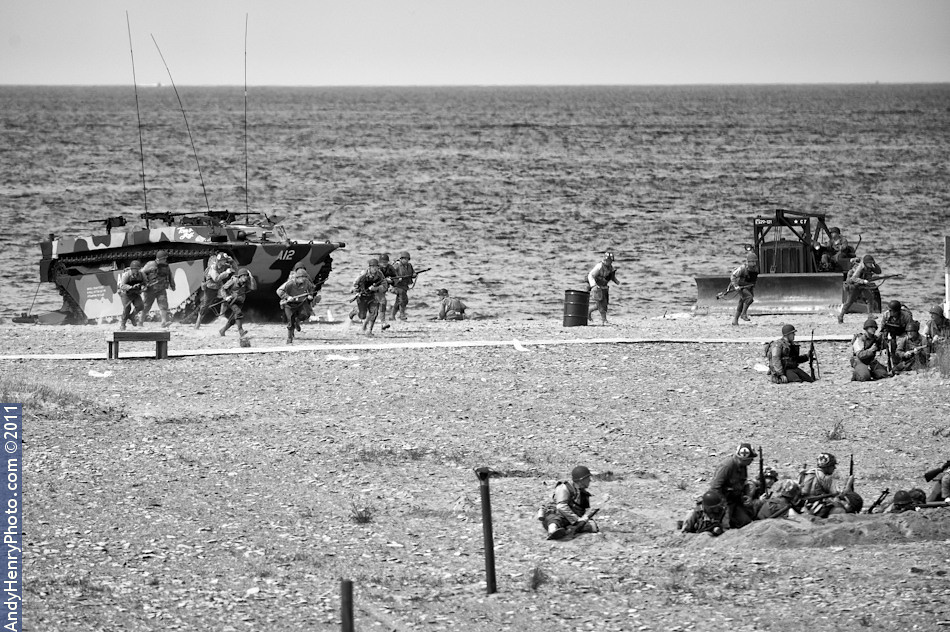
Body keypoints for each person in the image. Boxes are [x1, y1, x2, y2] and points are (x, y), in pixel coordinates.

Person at [537, 465, 599, 540]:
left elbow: (585, 509)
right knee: (554, 519)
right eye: (587, 478)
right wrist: (576, 519)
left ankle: (568, 530)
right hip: (558, 515)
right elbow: (561, 506)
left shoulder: (583, 493)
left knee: (592, 526)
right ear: (581, 480)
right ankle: (553, 529)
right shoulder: (564, 488)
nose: (589, 480)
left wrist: (584, 519)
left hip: (571, 519)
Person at [707, 443, 757, 529]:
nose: (752, 461)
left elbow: (743, 483)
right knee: (724, 526)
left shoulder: (743, 466)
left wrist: (747, 495)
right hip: (723, 502)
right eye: (750, 459)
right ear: (744, 459)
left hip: (734, 500)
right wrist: (723, 505)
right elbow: (715, 487)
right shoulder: (727, 466)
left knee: (745, 522)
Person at [800, 452, 854, 517]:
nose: (834, 468)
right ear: (827, 467)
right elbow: (838, 495)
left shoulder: (807, 474)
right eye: (832, 465)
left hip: (804, 507)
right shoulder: (826, 478)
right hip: (818, 509)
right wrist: (848, 484)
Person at [196, 252, 237, 329]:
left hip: (219, 287)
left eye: (226, 260)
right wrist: (226, 272)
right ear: (220, 261)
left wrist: (232, 261)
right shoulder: (213, 267)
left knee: (226, 297)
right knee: (205, 306)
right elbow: (216, 278)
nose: (225, 261)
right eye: (224, 260)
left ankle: (222, 316)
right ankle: (197, 323)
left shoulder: (224, 265)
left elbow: (235, 269)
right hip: (210, 288)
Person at [276, 267, 316, 344]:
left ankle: (297, 321)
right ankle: (289, 338)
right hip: (289, 305)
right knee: (290, 321)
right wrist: (287, 297)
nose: (304, 279)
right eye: (302, 277)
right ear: (297, 277)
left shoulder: (306, 282)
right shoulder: (290, 283)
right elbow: (279, 291)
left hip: (300, 303)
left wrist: (310, 295)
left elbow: (311, 288)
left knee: (305, 315)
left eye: (305, 277)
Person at [838, 254, 881, 323]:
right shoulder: (860, 268)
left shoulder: (870, 267)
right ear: (865, 263)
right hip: (854, 286)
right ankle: (841, 316)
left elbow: (878, 271)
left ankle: (870, 315)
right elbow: (853, 278)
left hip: (862, 286)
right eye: (869, 263)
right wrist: (863, 281)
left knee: (870, 298)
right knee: (849, 302)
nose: (871, 264)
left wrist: (875, 264)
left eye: (872, 262)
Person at [218, 268, 257, 338]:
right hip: (232, 301)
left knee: (233, 319)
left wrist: (251, 277)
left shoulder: (246, 282)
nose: (245, 277)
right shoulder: (233, 280)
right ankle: (241, 331)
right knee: (238, 313)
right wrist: (226, 297)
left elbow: (253, 288)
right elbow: (223, 289)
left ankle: (222, 330)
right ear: (240, 276)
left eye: (246, 275)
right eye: (244, 275)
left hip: (240, 301)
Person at [141, 250, 175, 328]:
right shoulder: (151, 264)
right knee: (146, 306)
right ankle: (140, 321)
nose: (165, 260)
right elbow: (142, 272)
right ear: (159, 259)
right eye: (164, 258)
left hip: (161, 289)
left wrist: (172, 285)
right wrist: (145, 282)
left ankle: (163, 322)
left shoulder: (166, 266)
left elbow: (170, 275)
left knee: (163, 305)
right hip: (150, 289)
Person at [353, 258, 387, 337]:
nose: (375, 269)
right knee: (362, 315)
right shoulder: (363, 274)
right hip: (363, 295)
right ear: (370, 267)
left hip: (373, 295)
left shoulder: (380, 274)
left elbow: (384, 286)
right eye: (373, 267)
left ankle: (369, 331)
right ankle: (355, 311)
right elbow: (355, 284)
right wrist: (357, 291)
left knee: (374, 312)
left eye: (376, 267)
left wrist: (376, 288)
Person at [587, 251, 621, 325]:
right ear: (605, 260)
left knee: (603, 304)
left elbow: (612, 277)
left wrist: (616, 281)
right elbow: (591, 275)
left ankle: (588, 311)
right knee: (601, 303)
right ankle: (604, 320)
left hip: (605, 287)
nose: (610, 262)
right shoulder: (599, 266)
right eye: (609, 260)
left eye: (611, 261)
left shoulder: (610, 268)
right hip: (597, 287)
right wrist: (593, 285)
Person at [728, 251, 758, 326]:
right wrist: (736, 286)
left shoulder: (755, 269)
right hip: (741, 287)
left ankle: (735, 320)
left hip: (749, 287)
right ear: (748, 262)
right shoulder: (742, 268)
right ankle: (743, 314)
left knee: (742, 302)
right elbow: (733, 276)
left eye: (755, 262)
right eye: (752, 262)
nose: (754, 263)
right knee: (749, 298)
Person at [117, 259, 146, 330]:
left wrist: (142, 287)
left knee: (140, 306)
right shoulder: (127, 275)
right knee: (127, 308)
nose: (136, 271)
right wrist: (131, 287)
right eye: (134, 269)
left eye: (138, 269)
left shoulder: (141, 275)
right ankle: (123, 324)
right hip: (125, 293)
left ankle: (132, 316)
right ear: (131, 269)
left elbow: (145, 283)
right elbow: (122, 286)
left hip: (135, 293)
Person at [391, 251, 415, 321]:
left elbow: (413, 273)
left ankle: (392, 316)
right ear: (401, 259)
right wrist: (397, 278)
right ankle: (402, 315)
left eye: (407, 259)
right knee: (403, 300)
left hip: (405, 286)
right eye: (404, 259)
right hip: (397, 286)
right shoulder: (396, 265)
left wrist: (414, 275)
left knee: (398, 301)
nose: (406, 260)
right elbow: (391, 274)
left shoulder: (409, 266)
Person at [376, 253, 397, 331]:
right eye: (382, 262)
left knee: (382, 304)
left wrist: (392, 281)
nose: (384, 263)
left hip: (383, 290)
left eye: (386, 262)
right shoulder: (376, 269)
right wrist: (385, 280)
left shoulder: (390, 268)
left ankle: (383, 322)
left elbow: (395, 278)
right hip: (374, 290)